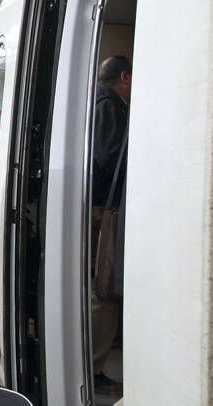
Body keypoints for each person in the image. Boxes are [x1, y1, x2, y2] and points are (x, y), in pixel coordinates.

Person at [91, 55, 131, 394]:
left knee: (103, 287)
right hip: (104, 211)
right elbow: (109, 156)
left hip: (105, 209)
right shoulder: (108, 105)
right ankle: (93, 367)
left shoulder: (103, 103)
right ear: (124, 77)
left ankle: (98, 361)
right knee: (102, 287)